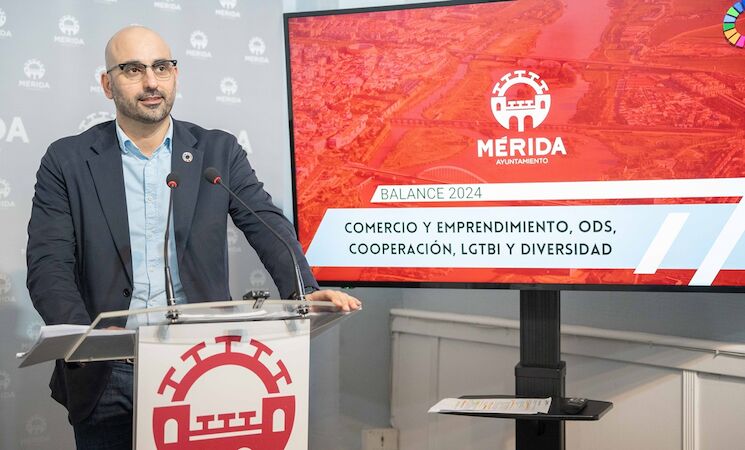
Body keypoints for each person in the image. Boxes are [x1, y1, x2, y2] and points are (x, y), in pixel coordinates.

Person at [26, 26, 361, 449]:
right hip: (109, 370)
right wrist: (85, 341)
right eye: (133, 70)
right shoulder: (68, 159)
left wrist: (303, 290)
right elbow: (49, 265)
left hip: (202, 363)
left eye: (161, 67)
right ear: (108, 85)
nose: (151, 82)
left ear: (175, 75)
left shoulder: (217, 151)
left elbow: (265, 224)